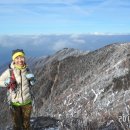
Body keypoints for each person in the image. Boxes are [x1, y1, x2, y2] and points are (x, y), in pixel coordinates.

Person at [0, 49, 36, 130]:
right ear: (13, 60)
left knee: (26, 124)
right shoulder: (9, 72)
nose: (20, 60)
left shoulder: (27, 70)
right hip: (15, 104)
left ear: (24, 58)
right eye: (17, 58)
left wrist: (33, 80)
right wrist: (6, 83)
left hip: (27, 102)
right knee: (17, 125)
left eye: (21, 57)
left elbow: (32, 83)